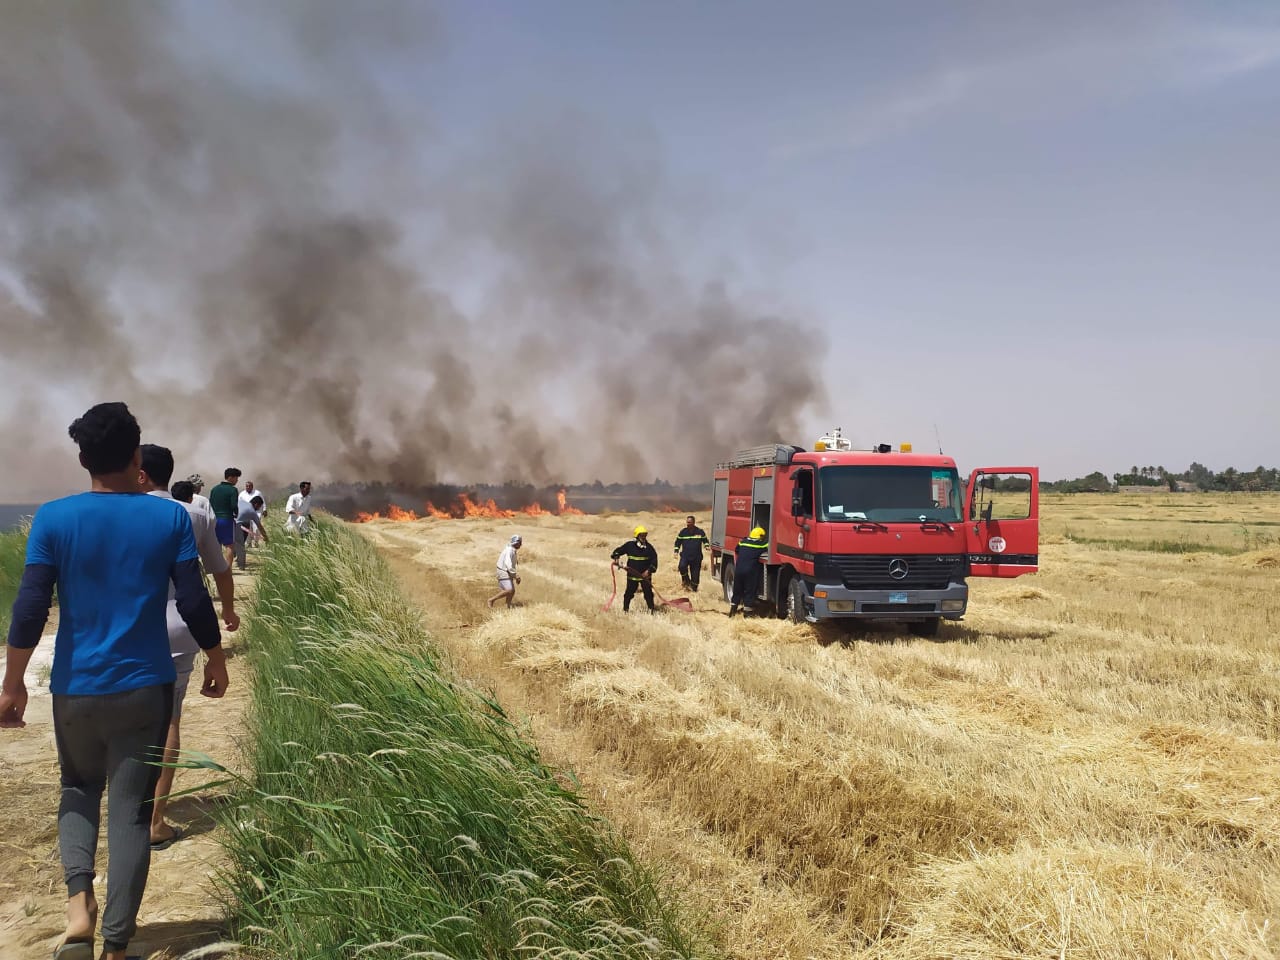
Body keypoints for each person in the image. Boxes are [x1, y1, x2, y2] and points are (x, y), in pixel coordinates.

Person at [1, 403, 227, 960]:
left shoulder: (53, 518)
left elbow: (30, 608)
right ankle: (117, 946)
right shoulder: (169, 519)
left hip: (75, 686)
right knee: (131, 812)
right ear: (136, 456)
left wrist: (13, 682)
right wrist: (216, 658)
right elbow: (193, 599)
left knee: (78, 789)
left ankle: (79, 907)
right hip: (145, 685)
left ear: (83, 460)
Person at [138, 444, 240, 850]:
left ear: (139, 472)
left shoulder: (113, 511)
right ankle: (154, 821)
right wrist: (227, 612)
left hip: (123, 629)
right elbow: (217, 571)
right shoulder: (194, 514)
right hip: (178, 628)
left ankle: (128, 807)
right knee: (169, 720)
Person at [611, 525, 658, 613]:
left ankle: (651, 610)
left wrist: (649, 571)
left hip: (645, 576)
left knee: (648, 594)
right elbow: (618, 551)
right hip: (632, 575)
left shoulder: (649, 547)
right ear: (637, 536)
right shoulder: (630, 545)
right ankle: (625, 610)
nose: (644, 537)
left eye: (645, 535)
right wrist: (616, 557)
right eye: (642, 535)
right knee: (629, 593)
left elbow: (654, 559)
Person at [728, 526, 770, 617]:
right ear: (760, 536)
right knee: (749, 591)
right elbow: (769, 547)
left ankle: (732, 612)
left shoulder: (742, 542)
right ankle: (747, 614)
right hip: (750, 572)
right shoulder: (761, 544)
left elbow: (737, 549)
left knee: (737, 590)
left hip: (739, 570)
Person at [207, 468, 242, 567]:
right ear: (230, 477)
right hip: (227, 519)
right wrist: (237, 513)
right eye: (236, 478)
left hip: (214, 520)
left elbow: (210, 504)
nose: (237, 480)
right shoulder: (233, 490)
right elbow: (234, 505)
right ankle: (228, 569)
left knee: (217, 545)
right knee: (229, 546)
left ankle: (217, 567)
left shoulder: (214, 489)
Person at [673, 515, 710, 592]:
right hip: (685, 556)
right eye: (687, 522)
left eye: (689, 522)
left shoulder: (700, 532)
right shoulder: (683, 532)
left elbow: (705, 540)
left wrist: (707, 546)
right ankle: (686, 581)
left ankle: (693, 589)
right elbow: (677, 542)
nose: (688, 524)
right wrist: (676, 551)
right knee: (682, 567)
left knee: (695, 577)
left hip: (696, 557)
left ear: (693, 522)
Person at [233, 495, 269, 570]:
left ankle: (234, 553)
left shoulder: (241, 502)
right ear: (256, 504)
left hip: (231, 522)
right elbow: (260, 527)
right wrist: (266, 537)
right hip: (239, 525)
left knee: (233, 543)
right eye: (259, 507)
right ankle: (241, 565)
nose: (258, 509)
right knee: (240, 545)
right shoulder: (252, 512)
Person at [487, 535, 523, 608]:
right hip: (503, 571)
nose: (520, 545)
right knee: (509, 590)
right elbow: (508, 564)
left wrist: (514, 575)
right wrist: (515, 575)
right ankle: (491, 600)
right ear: (516, 543)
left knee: (512, 591)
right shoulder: (509, 550)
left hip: (507, 571)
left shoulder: (512, 550)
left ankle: (507, 606)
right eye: (520, 543)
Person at [238, 481, 266, 546]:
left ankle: (256, 542)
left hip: (257, 512)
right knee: (247, 528)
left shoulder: (257, 493)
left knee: (256, 527)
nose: (248, 487)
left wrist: (264, 509)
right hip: (245, 513)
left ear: (252, 486)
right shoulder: (242, 494)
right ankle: (248, 543)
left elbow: (262, 502)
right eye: (247, 486)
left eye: (249, 486)